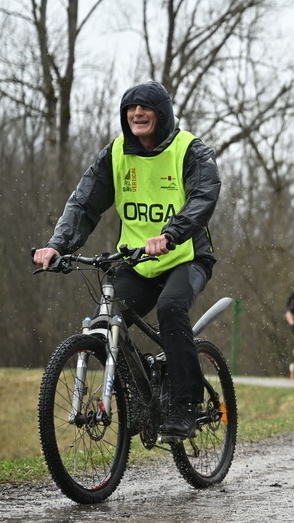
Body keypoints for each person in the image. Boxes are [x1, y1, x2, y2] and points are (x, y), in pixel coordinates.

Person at [33, 81, 221, 443]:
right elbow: (84, 204)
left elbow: (203, 196)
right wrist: (57, 245)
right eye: (130, 108)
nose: (136, 113)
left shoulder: (189, 150)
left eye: (145, 107)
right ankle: (139, 399)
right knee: (107, 317)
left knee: (170, 308)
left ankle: (185, 405)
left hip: (186, 257)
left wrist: (170, 234)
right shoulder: (116, 154)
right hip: (136, 262)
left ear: (161, 113)